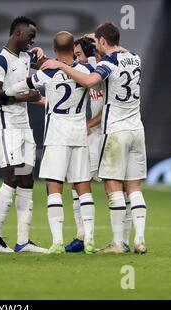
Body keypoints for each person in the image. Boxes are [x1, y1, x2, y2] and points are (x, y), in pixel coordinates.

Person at [41, 22, 147, 254]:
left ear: (98, 43)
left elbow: (88, 81)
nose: (76, 55)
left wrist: (59, 64)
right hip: (135, 129)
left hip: (113, 131)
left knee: (111, 187)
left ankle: (119, 242)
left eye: (79, 52)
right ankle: (134, 238)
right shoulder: (134, 57)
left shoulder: (101, 66)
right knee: (130, 186)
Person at [5, 31, 97, 254]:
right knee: (83, 187)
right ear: (73, 48)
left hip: (56, 136)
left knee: (54, 186)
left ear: (54, 50)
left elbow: (23, 86)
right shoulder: (85, 71)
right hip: (78, 134)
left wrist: (6, 92)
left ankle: (57, 241)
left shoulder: (47, 72)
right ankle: (90, 240)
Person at [0, 16, 47, 253]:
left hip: (23, 126)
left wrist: (43, 58)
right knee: (11, 176)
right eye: (30, 37)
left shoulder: (25, 57)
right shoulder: (0, 60)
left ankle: (23, 241)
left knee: (26, 178)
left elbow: (46, 67)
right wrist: (24, 97)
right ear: (17, 34)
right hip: (5, 124)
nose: (32, 42)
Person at [65, 36, 104, 253]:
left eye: (78, 54)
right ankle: (82, 235)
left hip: (108, 135)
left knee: (118, 186)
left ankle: (123, 238)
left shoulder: (103, 70)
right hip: (92, 136)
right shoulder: (88, 70)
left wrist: (88, 124)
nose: (75, 58)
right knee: (77, 181)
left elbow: (110, 107)